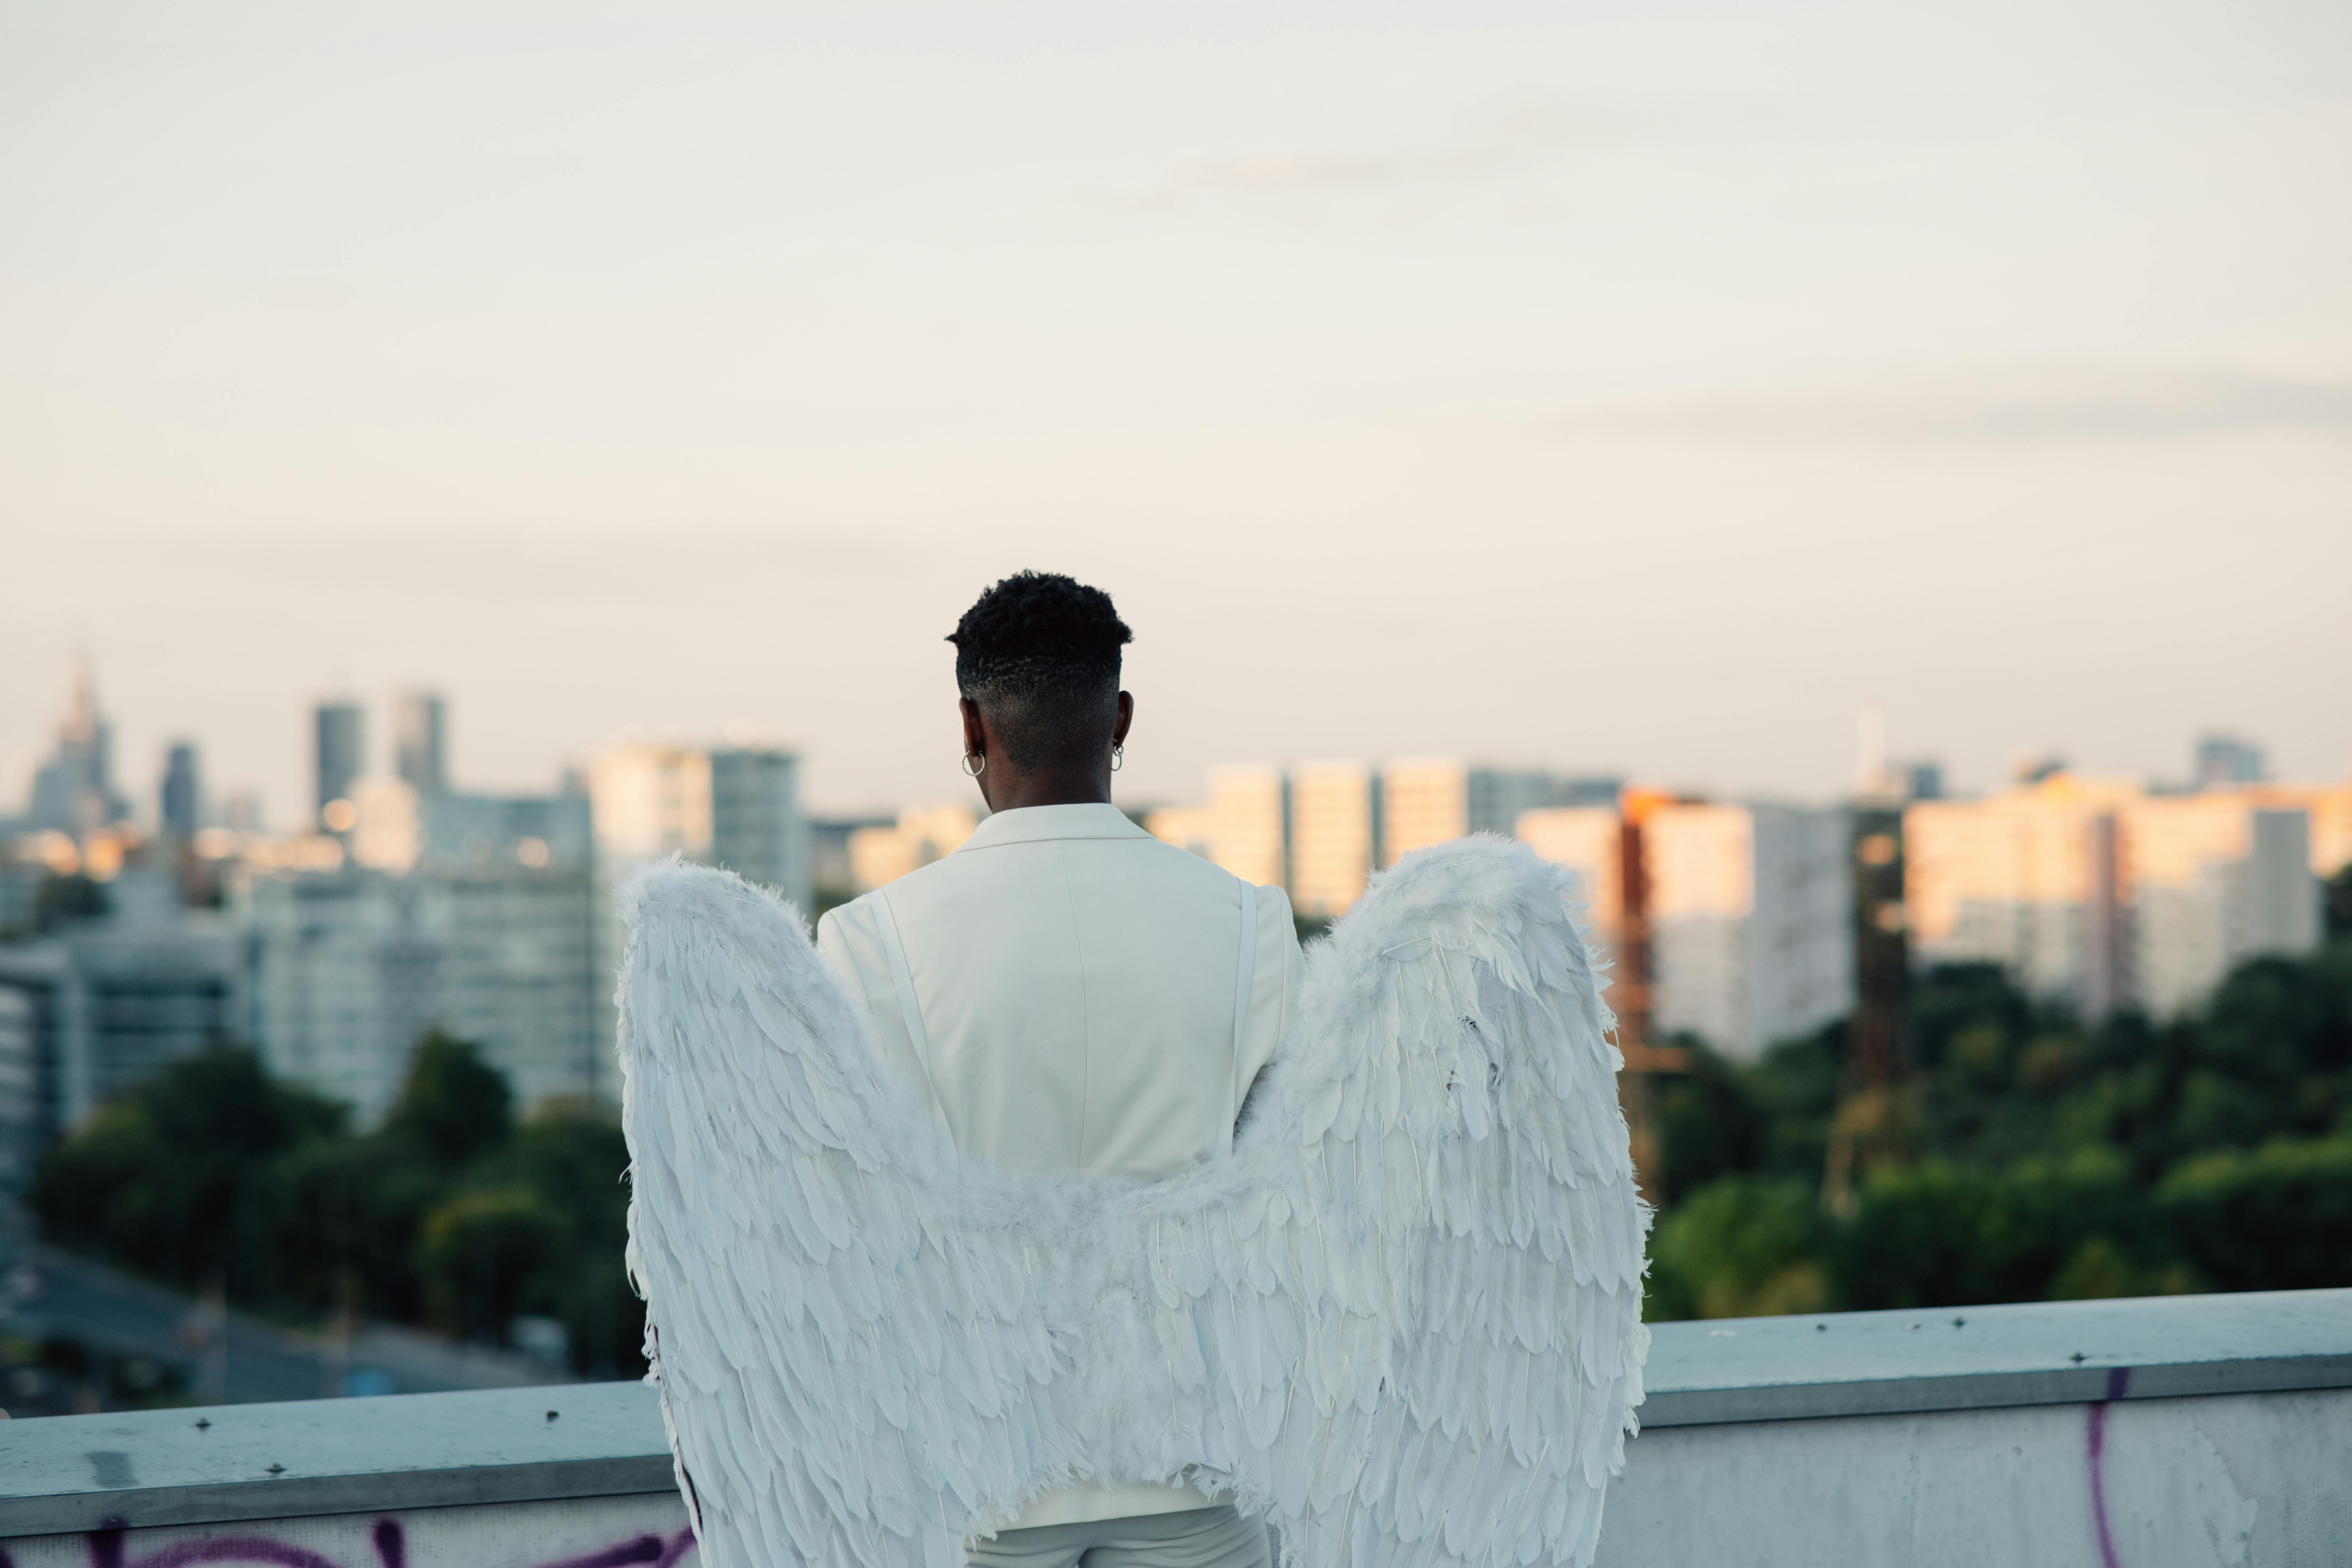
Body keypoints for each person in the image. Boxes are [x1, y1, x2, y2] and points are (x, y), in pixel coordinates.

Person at [815, 572, 1301, 1568]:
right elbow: (1293, 1192)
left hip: (977, 1463)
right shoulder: (1253, 924)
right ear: (1120, 716)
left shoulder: (866, 941)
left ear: (970, 726)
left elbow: (851, 1221)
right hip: (1198, 1455)